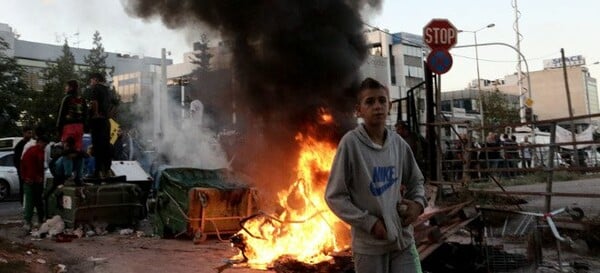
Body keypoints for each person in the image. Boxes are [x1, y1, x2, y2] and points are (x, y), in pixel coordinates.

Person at [325, 78, 426, 273]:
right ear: (358, 110)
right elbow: (334, 196)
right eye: (370, 102)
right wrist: (370, 224)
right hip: (369, 248)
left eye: (382, 101)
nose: (377, 106)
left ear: (389, 106)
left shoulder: (398, 144)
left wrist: (418, 205)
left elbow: (416, 181)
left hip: (402, 241)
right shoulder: (351, 144)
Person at [56, 79, 87, 184]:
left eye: (66, 86)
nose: (65, 88)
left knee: (67, 152)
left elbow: (61, 114)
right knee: (78, 151)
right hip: (80, 127)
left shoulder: (67, 98)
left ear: (70, 87)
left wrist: (59, 129)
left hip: (68, 127)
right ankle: (79, 176)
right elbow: (86, 114)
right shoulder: (82, 99)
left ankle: (68, 175)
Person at [20, 134, 49, 231]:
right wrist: (34, 178)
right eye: (44, 144)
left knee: (33, 201)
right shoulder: (34, 152)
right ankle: (31, 221)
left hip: (32, 179)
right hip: (32, 180)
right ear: (40, 142)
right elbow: (30, 167)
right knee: (33, 201)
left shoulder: (37, 151)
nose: (44, 146)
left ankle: (32, 221)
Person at [88, 73, 112, 178]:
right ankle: (106, 170)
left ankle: (97, 172)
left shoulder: (96, 88)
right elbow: (114, 104)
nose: (90, 83)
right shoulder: (107, 90)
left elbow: (94, 101)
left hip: (98, 121)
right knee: (105, 146)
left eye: (91, 80)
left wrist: (96, 113)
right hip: (106, 121)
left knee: (97, 146)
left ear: (96, 80)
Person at [13, 126, 34, 205]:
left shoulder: (31, 143)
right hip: (23, 171)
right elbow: (16, 160)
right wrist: (21, 170)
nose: (30, 135)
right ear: (24, 133)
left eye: (31, 133)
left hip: (30, 170)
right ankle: (23, 203)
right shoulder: (19, 145)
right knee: (23, 187)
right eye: (29, 133)